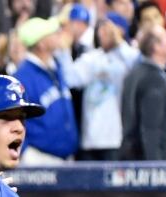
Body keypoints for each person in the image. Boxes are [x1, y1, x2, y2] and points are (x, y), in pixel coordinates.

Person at [59, 16, 139, 160]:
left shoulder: (126, 58)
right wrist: (64, 50)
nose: (103, 33)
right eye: (101, 29)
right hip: (90, 139)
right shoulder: (91, 58)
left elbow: (137, 62)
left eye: (108, 28)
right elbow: (70, 79)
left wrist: (119, 42)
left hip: (116, 139)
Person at [14, 17, 79, 164]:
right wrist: (26, 153)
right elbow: (14, 119)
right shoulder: (22, 77)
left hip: (67, 158)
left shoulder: (57, 67)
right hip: (40, 159)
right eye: (53, 33)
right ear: (41, 44)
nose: (58, 35)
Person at [120, 24, 166, 160]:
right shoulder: (154, 79)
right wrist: (155, 167)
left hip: (132, 157)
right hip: (147, 160)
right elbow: (151, 129)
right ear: (156, 47)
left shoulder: (134, 73)